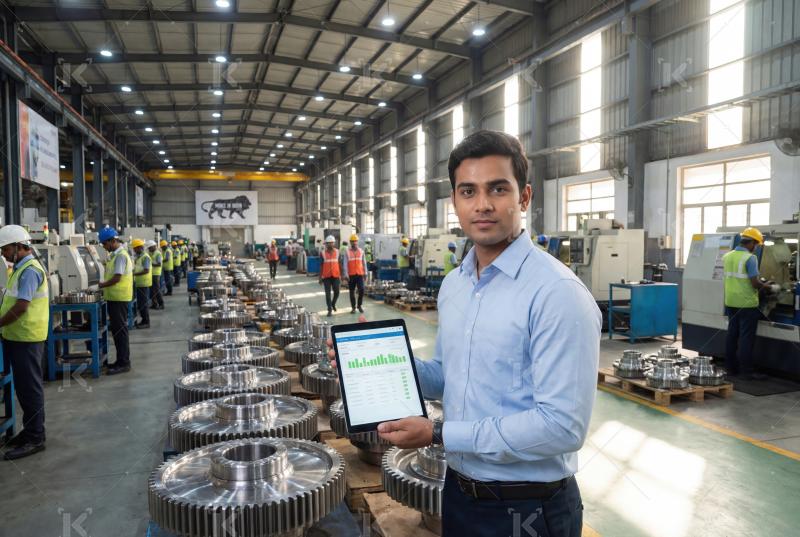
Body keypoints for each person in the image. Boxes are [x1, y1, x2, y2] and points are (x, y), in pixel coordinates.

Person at [364, 130, 601, 536]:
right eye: (468, 191)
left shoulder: (556, 293)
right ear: (454, 202)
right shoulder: (456, 285)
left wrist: (438, 432)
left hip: (528, 507)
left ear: (524, 198)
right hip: (458, 493)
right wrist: (380, 364)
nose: (483, 205)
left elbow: (563, 426)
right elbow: (447, 373)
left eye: (498, 189)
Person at [0, 225, 48, 460]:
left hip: (26, 338)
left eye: (6, 249)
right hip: (16, 337)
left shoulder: (29, 270)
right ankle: (29, 430)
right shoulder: (18, 269)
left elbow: (21, 306)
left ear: (20, 247)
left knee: (30, 389)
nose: (4, 254)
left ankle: (36, 437)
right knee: (23, 388)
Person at [723, 227, 770, 381]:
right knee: (746, 338)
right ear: (751, 243)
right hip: (747, 303)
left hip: (731, 302)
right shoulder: (750, 258)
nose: (755, 248)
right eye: (756, 245)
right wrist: (768, 286)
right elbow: (755, 283)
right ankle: (747, 371)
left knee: (732, 334)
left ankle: (730, 368)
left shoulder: (727, 256)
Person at [98, 226, 133, 375]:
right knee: (118, 332)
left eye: (105, 244)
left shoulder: (120, 256)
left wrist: (100, 285)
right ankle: (120, 361)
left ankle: (124, 363)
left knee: (120, 332)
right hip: (114, 298)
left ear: (113, 241)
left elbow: (117, 278)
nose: (104, 247)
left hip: (119, 299)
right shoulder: (115, 256)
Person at [343, 234, 367, 314]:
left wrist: (365, 272)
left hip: (359, 274)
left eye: (355, 241)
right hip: (351, 275)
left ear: (357, 242)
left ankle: (359, 305)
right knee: (352, 292)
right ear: (350, 242)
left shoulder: (361, 251)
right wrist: (346, 274)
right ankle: (353, 307)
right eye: (352, 241)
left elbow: (364, 263)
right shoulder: (347, 252)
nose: (354, 243)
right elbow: (345, 264)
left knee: (362, 289)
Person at [131, 239, 151, 329]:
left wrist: (134, 274)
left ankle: (146, 322)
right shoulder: (138, 257)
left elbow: (146, 270)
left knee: (143, 304)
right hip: (139, 283)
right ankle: (143, 320)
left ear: (139, 248)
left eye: (135, 248)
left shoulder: (145, 257)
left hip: (144, 283)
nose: (134, 250)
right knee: (141, 304)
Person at [319, 236, 341, 317]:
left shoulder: (338, 252)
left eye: (332, 243)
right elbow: (321, 266)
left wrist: (341, 275)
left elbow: (340, 264)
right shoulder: (322, 253)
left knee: (337, 292)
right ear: (326, 244)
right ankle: (329, 309)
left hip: (336, 275)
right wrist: (320, 277)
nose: (330, 244)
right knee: (327, 294)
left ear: (334, 243)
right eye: (328, 243)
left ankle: (333, 303)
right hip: (326, 277)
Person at [148, 240, 164, 310]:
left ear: (154, 246)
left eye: (150, 248)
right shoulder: (151, 253)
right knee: (152, 290)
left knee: (157, 290)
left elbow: (159, 264)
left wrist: (151, 264)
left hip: (156, 274)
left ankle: (161, 304)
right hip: (152, 273)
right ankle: (154, 304)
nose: (149, 249)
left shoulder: (158, 254)